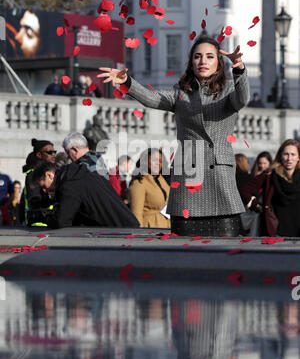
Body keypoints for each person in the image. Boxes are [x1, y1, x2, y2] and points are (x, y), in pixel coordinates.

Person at [98, 35, 250, 236]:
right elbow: (152, 98)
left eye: (209, 56)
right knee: (185, 250)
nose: (203, 61)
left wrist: (239, 69)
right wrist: (126, 81)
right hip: (188, 175)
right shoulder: (181, 93)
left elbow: (243, 98)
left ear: (219, 64)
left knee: (226, 250)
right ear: (191, 62)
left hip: (219, 176)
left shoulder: (229, 91)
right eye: (197, 56)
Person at [31, 162, 140, 229]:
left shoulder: (70, 185)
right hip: (124, 226)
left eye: (43, 186)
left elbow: (62, 221)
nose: (45, 191)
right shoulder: (75, 176)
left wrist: (44, 217)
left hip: (123, 231)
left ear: (49, 175)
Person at [240, 139, 300, 237]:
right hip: (276, 231)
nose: (289, 158)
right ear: (280, 156)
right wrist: (256, 206)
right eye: (286, 154)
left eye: (293, 154)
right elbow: (245, 190)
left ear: (298, 158)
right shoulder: (270, 174)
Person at [129, 148, 170, 228]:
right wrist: (140, 234)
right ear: (145, 161)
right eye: (154, 160)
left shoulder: (163, 181)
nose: (158, 163)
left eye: (160, 161)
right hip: (149, 228)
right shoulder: (139, 183)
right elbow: (136, 213)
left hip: (166, 226)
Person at [21, 138, 56, 226]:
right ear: (39, 154)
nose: (53, 154)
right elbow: (34, 201)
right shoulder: (34, 173)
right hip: (38, 223)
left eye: (54, 152)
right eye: (49, 152)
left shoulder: (50, 170)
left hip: (49, 221)